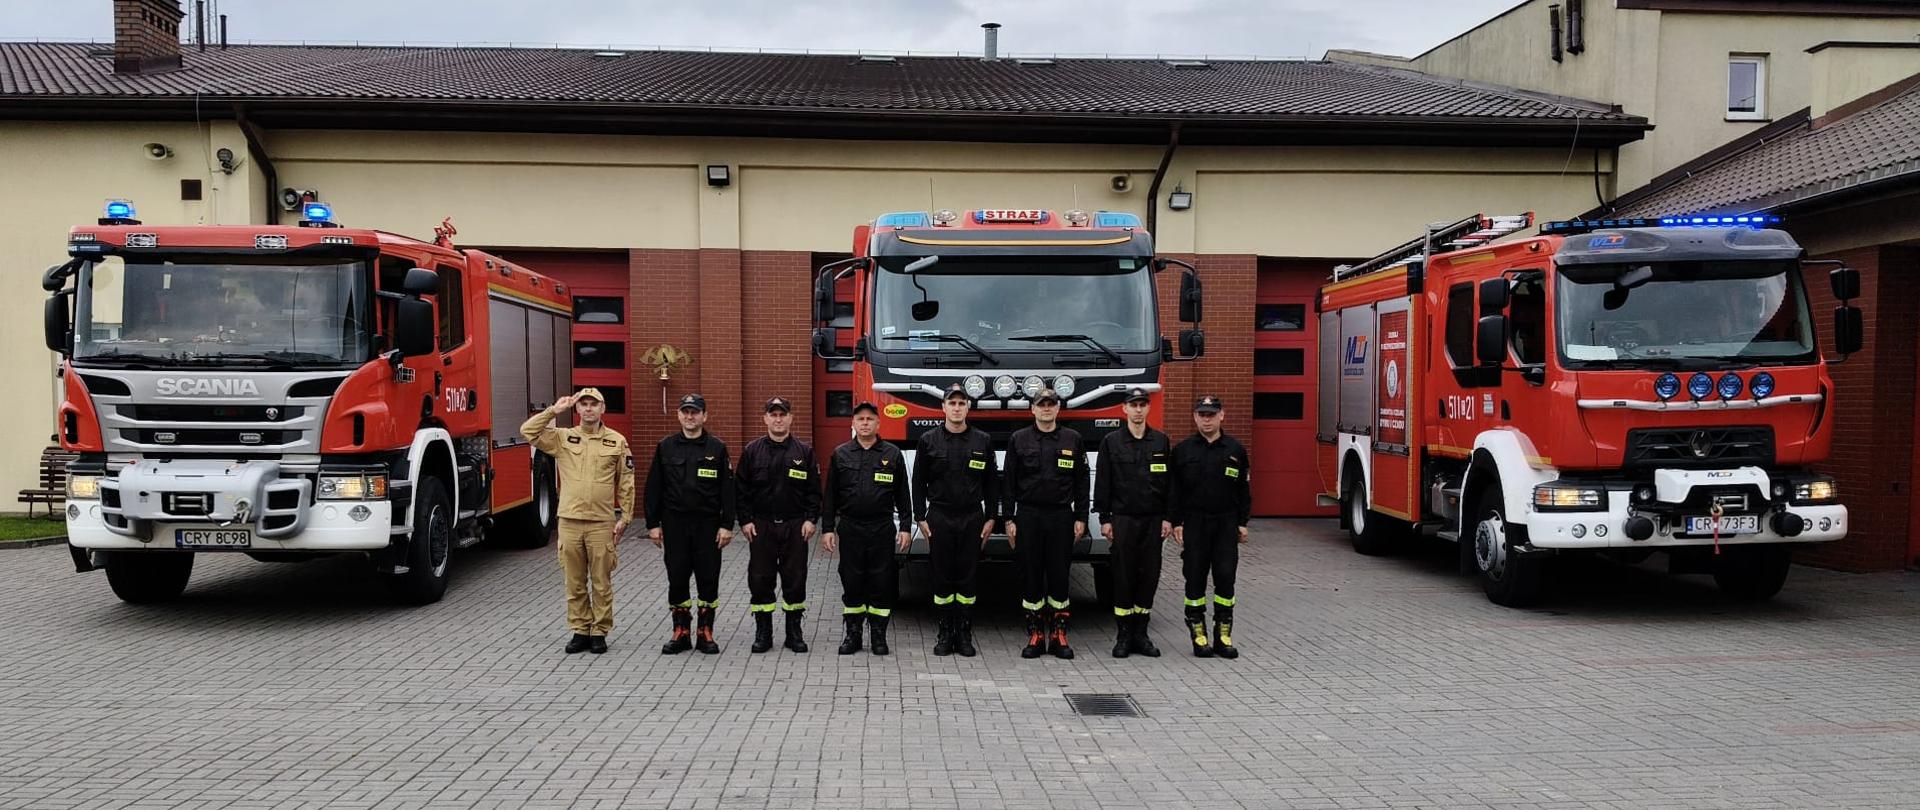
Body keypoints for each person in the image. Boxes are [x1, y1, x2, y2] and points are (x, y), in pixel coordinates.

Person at [519, 388, 634, 655]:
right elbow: (528, 431)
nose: (589, 409)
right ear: (577, 409)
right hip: (569, 520)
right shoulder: (563, 438)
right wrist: (554, 411)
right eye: (583, 404)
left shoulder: (616, 442)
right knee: (574, 580)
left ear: (602, 409)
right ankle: (580, 629)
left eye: (594, 404)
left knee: (601, 580)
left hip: (601, 522)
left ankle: (599, 631)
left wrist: (626, 517)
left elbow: (626, 483)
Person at [644, 393, 736, 655]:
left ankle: (705, 632)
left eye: (695, 412)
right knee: (677, 577)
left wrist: (727, 525)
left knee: (708, 578)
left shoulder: (717, 448)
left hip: (708, 525)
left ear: (704, 416)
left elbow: (728, 490)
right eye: (685, 411)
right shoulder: (666, 446)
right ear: (679, 415)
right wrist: (653, 524)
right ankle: (681, 632)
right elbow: (654, 488)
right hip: (675, 525)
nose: (690, 416)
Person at [912, 383, 998, 657]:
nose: (957, 408)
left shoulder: (982, 441)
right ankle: (944, 631)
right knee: (941, 575)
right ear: (944, 407)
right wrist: (919, 516)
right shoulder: (928, 440)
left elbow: (991, 483)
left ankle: (963, 632)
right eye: (952, 403)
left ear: (968, 408)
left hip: (972, 516)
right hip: (939, 515)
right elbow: (918, 481)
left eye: (962, 403)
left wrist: (992, 517)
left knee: (968, 576)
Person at [1003, 388, 1089, 659]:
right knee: (1030, 575)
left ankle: (1059, 635)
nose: (1046, 409)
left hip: (1061, 516)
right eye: (1041, 405)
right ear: (1033, 409)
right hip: (1028, 516)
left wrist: (1081, 517)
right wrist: (1009, 519)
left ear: (1058, 408)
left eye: (1051, 404)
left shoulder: (1072, 439)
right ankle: (1036, 634)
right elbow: (1008, 483)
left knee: (1059, 575)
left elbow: (1082, 483)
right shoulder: (1019, 439)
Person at [821, 401, 912, 656]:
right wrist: (827, 528)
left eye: (870, 419)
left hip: (882, 528)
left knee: (881, 582)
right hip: (850, 528)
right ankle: (853, 635)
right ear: (853, 423)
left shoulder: (892, 454)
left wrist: (906, 526)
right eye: (860, 419)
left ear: (878, 423)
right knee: (852, 582)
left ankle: (879, 637)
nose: (865, 423)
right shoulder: (840, 454)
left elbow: (903, 495)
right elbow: (830, 497)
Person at [734, 397, 820, 653]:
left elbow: (814, 491)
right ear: (765, 419)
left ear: (791, 418)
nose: (778, 419)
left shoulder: (804, 453)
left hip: (795, 527)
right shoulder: (752, 451)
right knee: (760, 579)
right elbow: (741, 491)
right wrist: (746, 520)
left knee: (795, 579)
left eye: (783, 415)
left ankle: (794, 632)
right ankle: (764, 632)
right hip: (761, 527)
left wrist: (811, 519)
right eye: (773, 415)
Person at [1170, 395, 1252, 660]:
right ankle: (1199, 634)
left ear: (1221, 416)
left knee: (1225, 578)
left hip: (1226, 523)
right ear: (1195, 417)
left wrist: (1242, 522)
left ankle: (1223, 635)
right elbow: (1174, 491)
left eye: (1211, 414)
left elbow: (1244, 490)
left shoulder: (1236, 450)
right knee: (1194, 579)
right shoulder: (1182, 451)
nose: (1207, 419)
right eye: (1202, 414)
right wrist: (1176, 522)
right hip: (1194, 523)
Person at [1093, 387, 1170, 658]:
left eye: (1142, 405)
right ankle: (1124, 635)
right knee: (1123, 576)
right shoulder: (1111, 442)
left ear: (1148, 408)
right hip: (1123, 519)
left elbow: (1168, 485)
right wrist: (1104, 518)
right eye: (1133, 405)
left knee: (1149, 576)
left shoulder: (1161, 442)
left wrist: (1168, 518)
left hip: (1152, 520)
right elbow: (1103, 482)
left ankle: (1142, 634)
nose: (1138, 410)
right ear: (1124, 409)